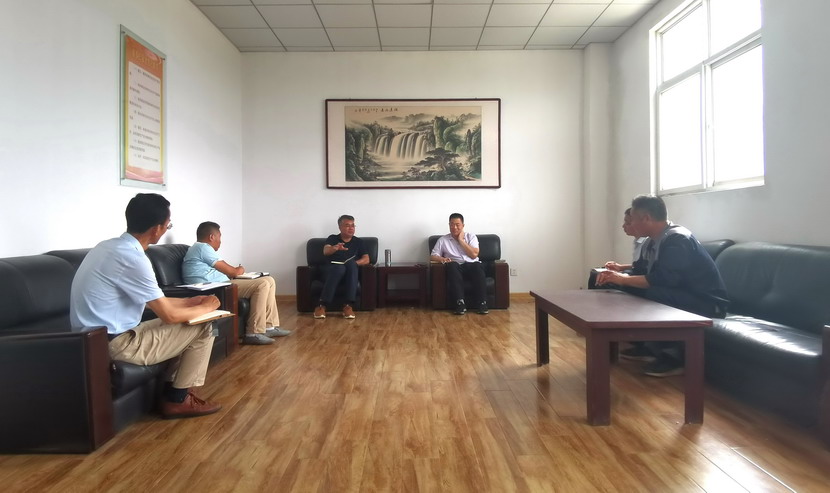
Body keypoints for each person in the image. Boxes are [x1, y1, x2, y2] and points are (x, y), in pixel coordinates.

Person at [70, 193, 222, 419]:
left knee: (190, 318)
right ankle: (177, 399)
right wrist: (208, 307)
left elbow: (154, 300)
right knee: (204, 325)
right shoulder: (133, 258)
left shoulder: (108, 247)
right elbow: (169, 315)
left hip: (99, 339)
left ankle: (173, 391)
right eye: (168, 224)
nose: (167, 228)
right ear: (157, 228)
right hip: (116, 344)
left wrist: (188, 302)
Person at [596, 195, 728, 377]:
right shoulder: (652, 240)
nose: (631, 224)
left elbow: (665, 279)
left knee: (653, 295)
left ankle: (673, 357)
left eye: (632, 219)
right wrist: (617, 277)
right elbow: (640, 271)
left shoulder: (678, 239)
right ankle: (646, 346)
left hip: (707, 303)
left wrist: (622, 279)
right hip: (680, 293)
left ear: (646, 218)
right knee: (627, 288)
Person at [182, 221, 290, 346]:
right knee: (262, 284)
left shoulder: (199, 249)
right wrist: (240, 269)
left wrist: (234, 273)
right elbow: (232, 271)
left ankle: (269, 326)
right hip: (214, 287)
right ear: (211, 237)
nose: (220, 241)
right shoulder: (202, 248)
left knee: (269, 280)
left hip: (222, 283)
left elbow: (224, 271)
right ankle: (253, 333)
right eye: (219, 236)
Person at [430, 212, 488, 315]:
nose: (454, 227)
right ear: (449, 225)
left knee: (477, 266)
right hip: (456, 268)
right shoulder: (443, 240)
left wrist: (461, 240)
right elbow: (433, 256)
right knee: (452, 265)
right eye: (452, 224)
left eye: (457, 225)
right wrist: (442, 259)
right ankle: (460, 303)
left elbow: (474, 255)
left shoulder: (471, 237)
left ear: (463, 225)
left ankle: (482, 303)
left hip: (472, 266)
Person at [314, 215, 370, 319]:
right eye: (347, 225)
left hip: (350, 272)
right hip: (331, 270)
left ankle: (348, 306)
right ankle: (321, 306)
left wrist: (354, 263)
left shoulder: (358, 242)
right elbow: (326, 251)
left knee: (351, 265)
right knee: (339, 268)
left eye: (353, 225)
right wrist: (335, 248)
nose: (351, 228)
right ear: (340, 227)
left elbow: (366, 259)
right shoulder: (332, 238)